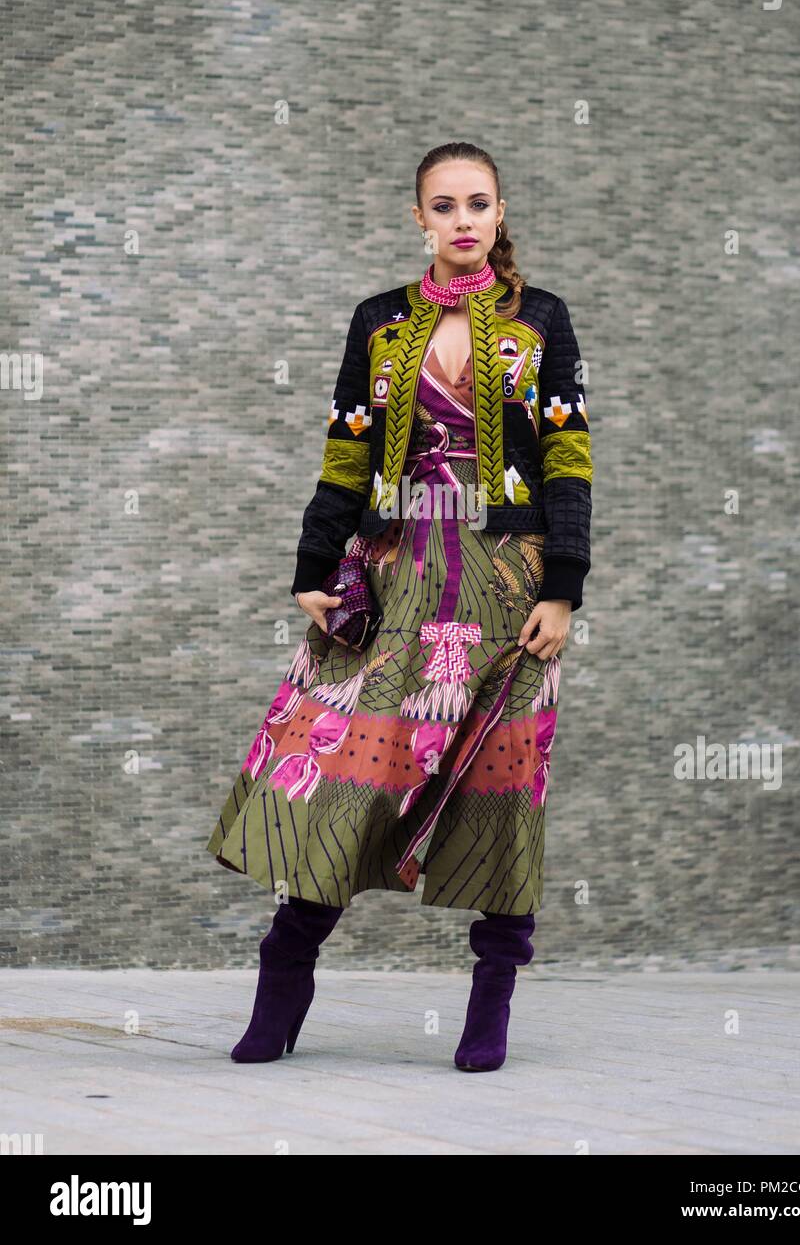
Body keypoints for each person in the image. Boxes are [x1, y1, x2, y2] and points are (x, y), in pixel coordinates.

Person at [206, 140, 593, 1072]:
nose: (463, 219)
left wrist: (565, 589)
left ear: (500, 215)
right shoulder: (378, 320)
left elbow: (571, 456)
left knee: (502, 781)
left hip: (507, 577)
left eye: (479, 203)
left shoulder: (542, 319)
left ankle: (490, 1003)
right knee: (351, 770)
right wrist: (313, 561)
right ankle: (282, 982)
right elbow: (346, 450)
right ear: (418, 218)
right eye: (444, 205)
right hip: (399, 568)